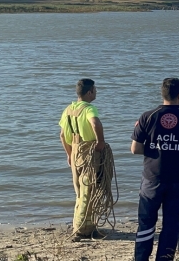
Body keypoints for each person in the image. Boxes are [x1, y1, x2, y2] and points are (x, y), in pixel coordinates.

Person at [131, 78, 179, 261]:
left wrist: (156, 150)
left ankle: (141, 258)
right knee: (171, 224)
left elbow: (135, 148)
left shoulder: (147, 116)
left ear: (162, 94)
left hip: (152, 178)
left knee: (146, 222)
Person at [58, 78, 107, 240]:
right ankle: (83, 229)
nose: (96, 92)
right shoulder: (89, 108)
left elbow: (62, 135)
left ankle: (80, 224)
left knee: (79, 190)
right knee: (90, 190)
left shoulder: (68, 109)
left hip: (75, 151)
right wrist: (100, 142)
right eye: (95, 90)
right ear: (89, 92)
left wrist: (68, 153)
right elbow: (96, 123)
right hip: (89, 151)